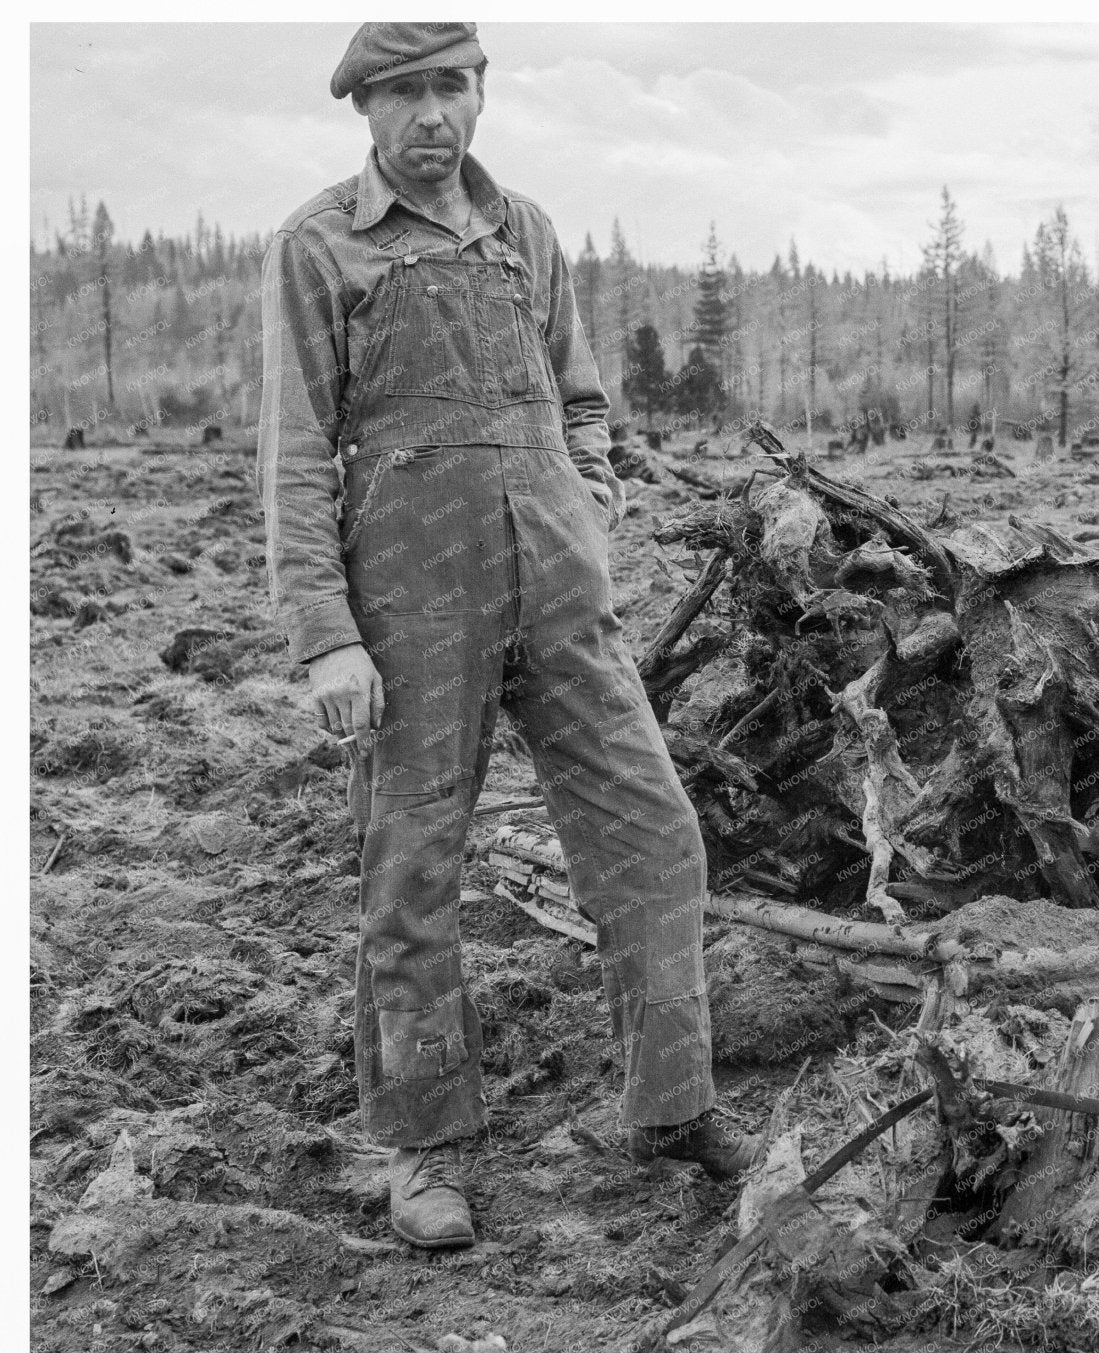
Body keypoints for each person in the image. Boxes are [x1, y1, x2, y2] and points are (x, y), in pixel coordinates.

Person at [260, 23, 757, 1252]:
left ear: (479, 96)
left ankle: (668, 1101)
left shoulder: (524, 230)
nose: (432, 114)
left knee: (656, 831)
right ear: (364, 109)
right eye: (404, 93)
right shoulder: (321, 244)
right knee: (412, 869)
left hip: (562, 597)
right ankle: (422, 1148)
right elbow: (292, 452)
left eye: (451, 87)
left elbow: (579, 394)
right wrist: (328, 637)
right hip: (413, 610)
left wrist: (586, 498)